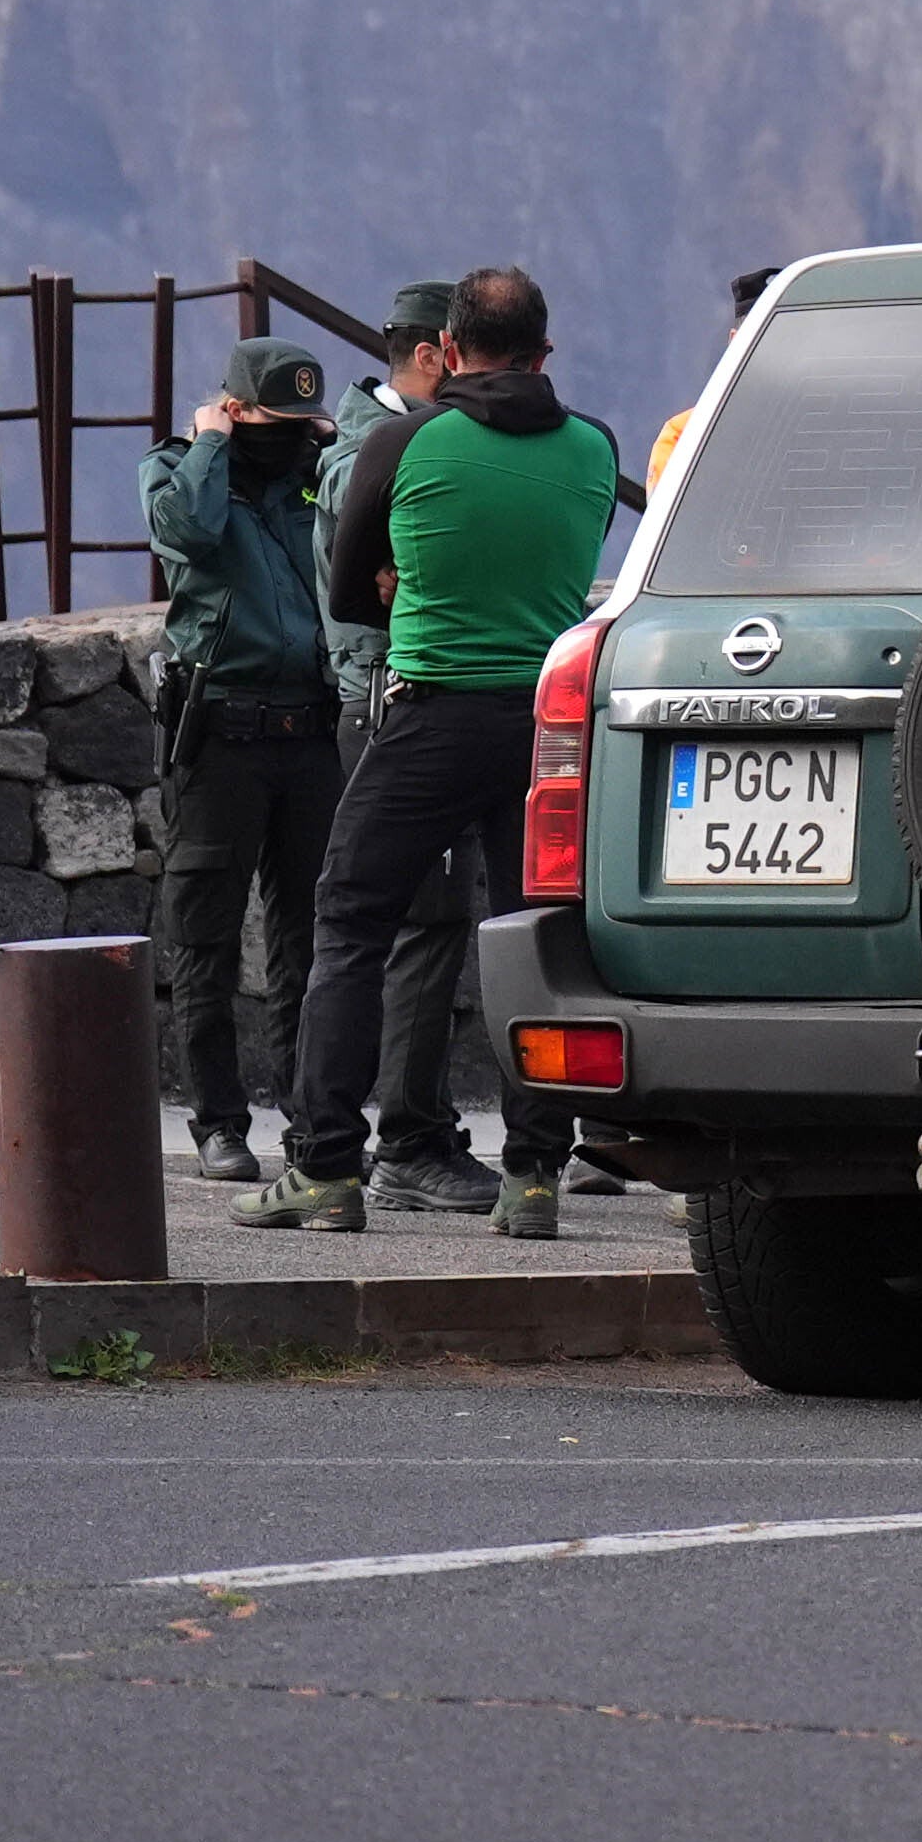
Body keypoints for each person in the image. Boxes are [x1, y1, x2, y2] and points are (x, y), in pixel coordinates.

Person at [246, 265, 623, 1239]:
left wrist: (404, 578)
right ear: (545, 355)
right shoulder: (593, 449)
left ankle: (327, 1168)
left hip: (428, 717)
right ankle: (534, 1175)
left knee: (352, 923)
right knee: (538, 940)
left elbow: (346, 592)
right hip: (548, 728)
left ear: (447, 352)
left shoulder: (405, 441)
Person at [137, 338, 342, 1185]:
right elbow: (187, 530)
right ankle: (218, 1123)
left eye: (300, 420)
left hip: (309, 733)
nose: (287, 434)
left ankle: (310, 1121)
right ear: (231, 407)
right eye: (270, 420)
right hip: (219, 736)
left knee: (309, 939)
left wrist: (329, 450)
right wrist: (213, 445)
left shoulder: (314, 473)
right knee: (206, 940)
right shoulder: (180, 469)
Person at [313, 284, 499, 1213]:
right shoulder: (373, 455)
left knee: (423, 922)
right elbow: (382, 585)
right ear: (436, 354)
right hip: (396, 702)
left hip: (421, 698)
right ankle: (406, 1144)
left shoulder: (400, 446)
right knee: (418, 928)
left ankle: (388, 1138)